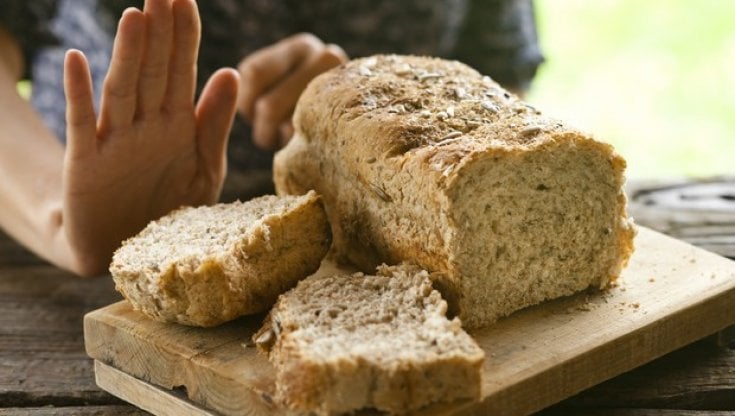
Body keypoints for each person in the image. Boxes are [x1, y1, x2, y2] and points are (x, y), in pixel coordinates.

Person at [0, 0, 543, 277]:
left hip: (376, 260)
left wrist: (364, 105)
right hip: (47, 259)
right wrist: (55, 213)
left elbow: (495, 81)